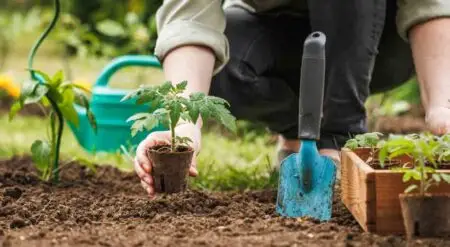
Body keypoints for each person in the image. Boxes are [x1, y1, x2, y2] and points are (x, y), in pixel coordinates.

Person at [135, 0, 450, 198]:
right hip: (272, 29)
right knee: (222, 68)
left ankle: (336, 140)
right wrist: (188, 126)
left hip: (376, 40)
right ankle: (301, 134)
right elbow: (189, 19)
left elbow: (430, 6)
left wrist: (441, 107)